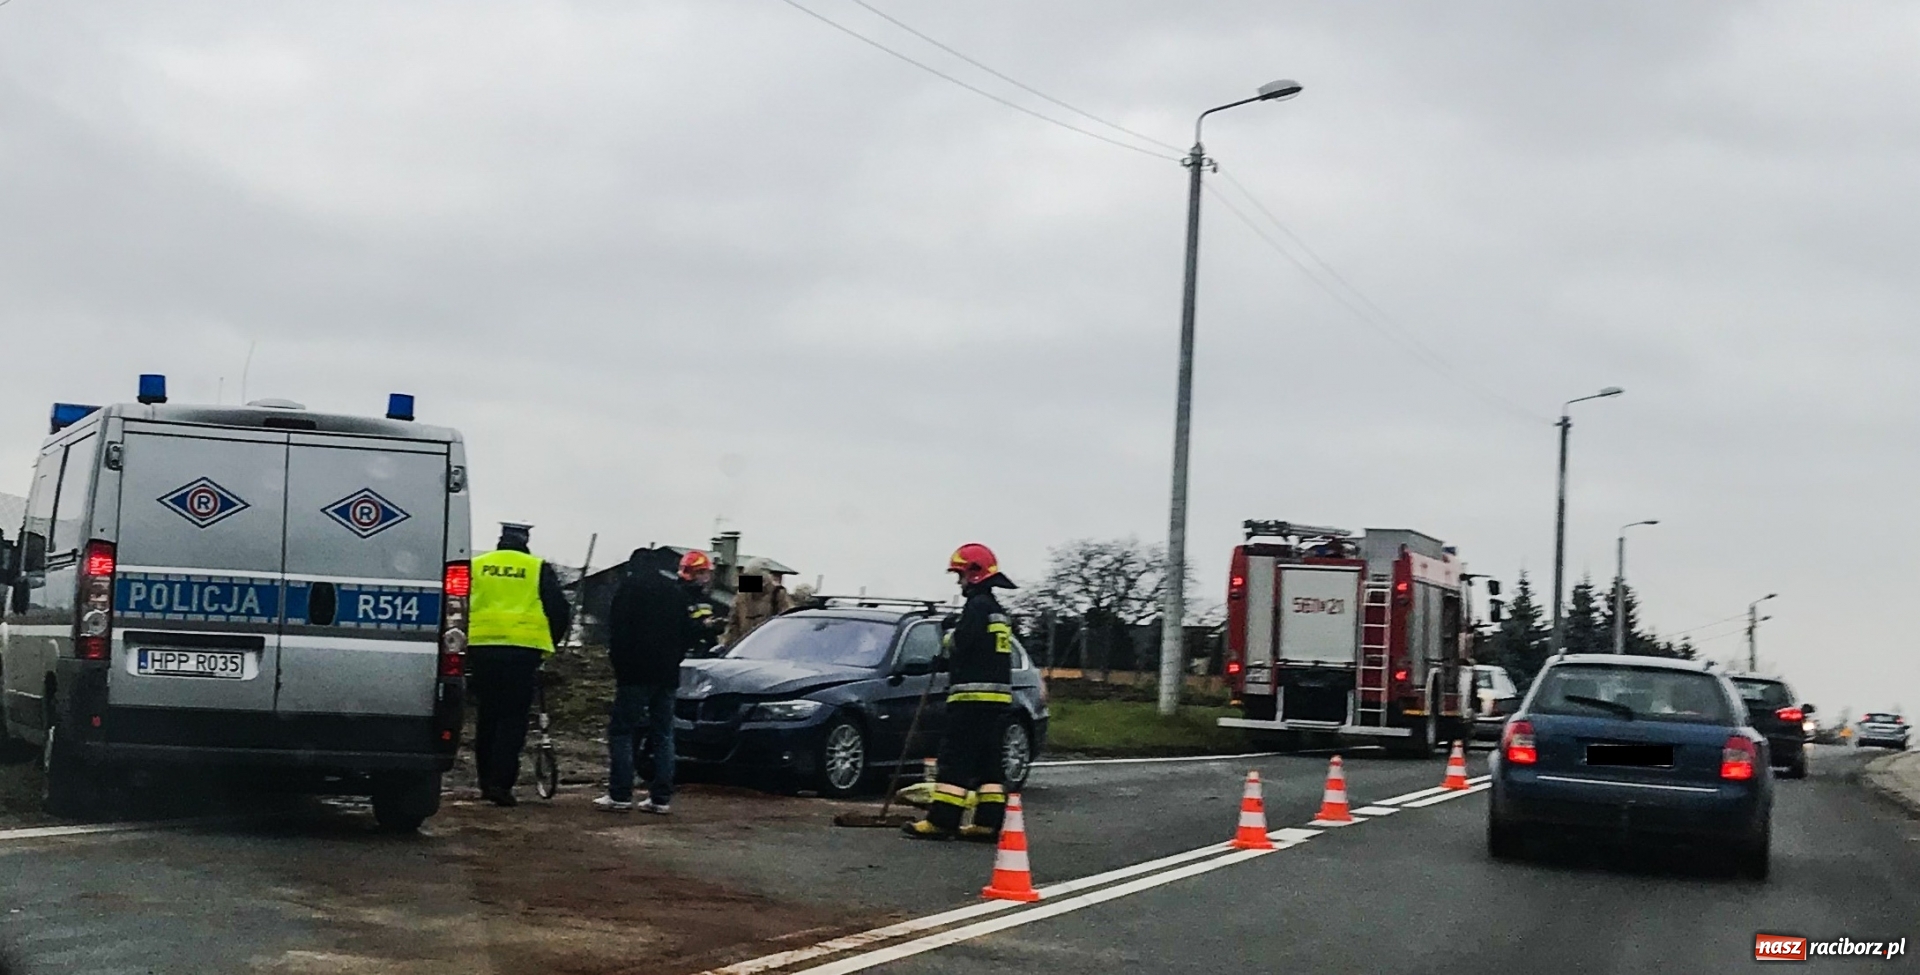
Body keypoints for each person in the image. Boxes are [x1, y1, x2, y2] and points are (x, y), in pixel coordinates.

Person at [903, 543, 1018, 842]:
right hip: (997, 701)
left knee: (955, 758)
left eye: (961, 575)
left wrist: (948, 633)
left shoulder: (977, 607)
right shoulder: (997, 611)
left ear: (975, 573)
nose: (959, 582)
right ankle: (987, 824)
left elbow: (961, 644)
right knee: (988, 763)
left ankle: (942, 821)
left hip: (970, 699)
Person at [594, 547, 706, 814]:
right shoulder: (674, 591)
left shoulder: (628, 589)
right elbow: (690, 631)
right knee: (664, 734)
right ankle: (661, 798)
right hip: (667, 674)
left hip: (634, 673)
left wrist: (619, 666)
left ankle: (620, 794)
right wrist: (674, 658)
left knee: (622, 731)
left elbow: (617, 632)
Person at [467, 522, 571, 807]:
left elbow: (458, 602)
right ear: (525, 540)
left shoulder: (477, 565)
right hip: (522, 653)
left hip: (482, 649)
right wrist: (548, 643)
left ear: (500, 540)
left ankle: (486, 783)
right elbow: (559, 609)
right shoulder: (537, 567)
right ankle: (501, 784)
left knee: (487, 716)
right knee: (512, 719)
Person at [722, 556, 793, 647]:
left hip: (769, 646)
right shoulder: (741, 595)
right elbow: (733, 623)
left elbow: (787, 622)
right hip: (744, 646)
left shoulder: (777, 593)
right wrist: (728, 645)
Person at [678, 550, 726, 656]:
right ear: (691, 574)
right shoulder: (678, 596)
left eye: (707, 572)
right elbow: (679, 627)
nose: (707, 577)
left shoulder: (704, 597)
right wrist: (704, 625)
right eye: (702, 572)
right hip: (686, 653)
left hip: (706, 652)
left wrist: (717, 626)